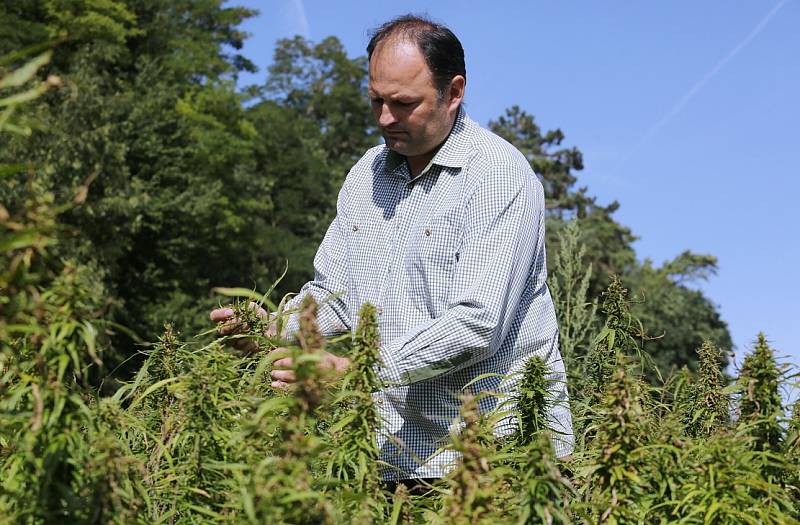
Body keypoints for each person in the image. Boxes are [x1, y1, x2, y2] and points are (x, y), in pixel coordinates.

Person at [210, 14, 573, 485]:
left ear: (454, 92)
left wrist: (356, 371)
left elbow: (477, 323)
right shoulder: (367, 176)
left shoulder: (498, 176)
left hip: (496, 459)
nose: (385, 118)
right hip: (392, 455)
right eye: (376, 100)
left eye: (403, 104)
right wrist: (272, 330)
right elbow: (333, 292)